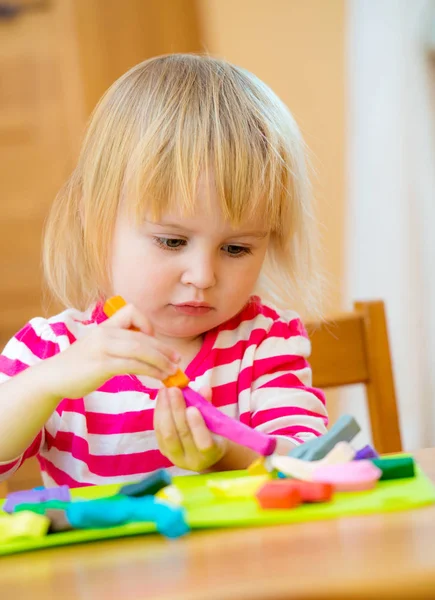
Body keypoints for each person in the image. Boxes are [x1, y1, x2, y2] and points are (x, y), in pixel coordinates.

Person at [0, 54, 328, 487]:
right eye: (172, 241)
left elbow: (309, 459)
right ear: (94, 219)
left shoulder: (264, 344)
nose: (202, 276)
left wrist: (225, 452)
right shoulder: (51, 350)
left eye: (235, 248)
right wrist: (47, 384)